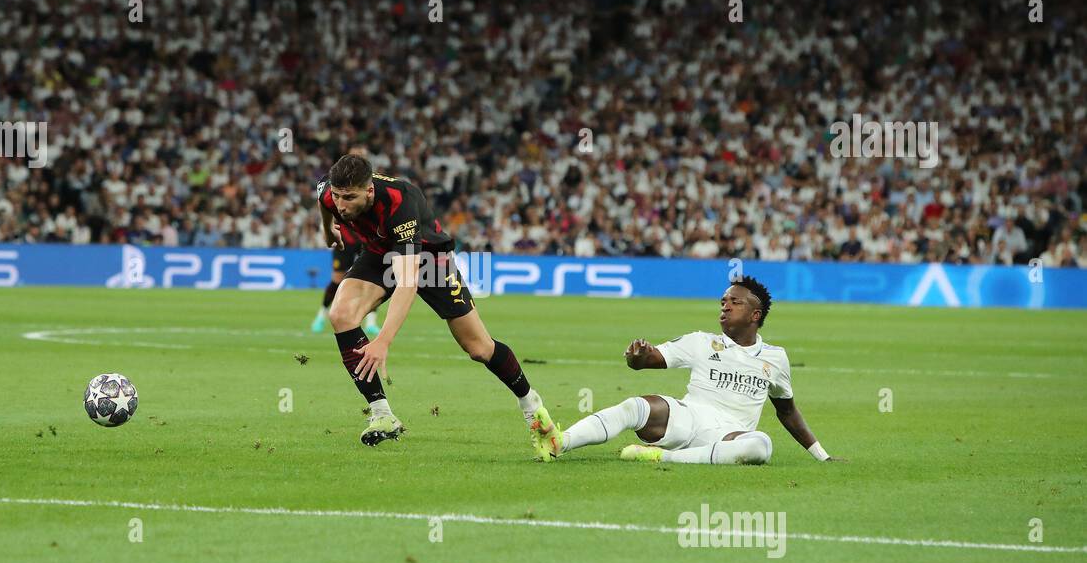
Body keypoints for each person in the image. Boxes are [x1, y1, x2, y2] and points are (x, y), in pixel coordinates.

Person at [317, 152, 545, 447]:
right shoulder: (329, 193)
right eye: (337, 196)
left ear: (369, 190)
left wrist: (383, 340)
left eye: (349, 198)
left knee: (478, 347)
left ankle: (530, 402)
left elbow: (408, 281)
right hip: (378, 253)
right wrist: (328, 231)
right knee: (341, 314)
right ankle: (382, 414)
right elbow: (324, 204)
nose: (341, 205)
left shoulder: (401, 202)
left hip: (428, 259)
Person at [531, 276, 844, 466]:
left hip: (728, 435)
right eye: (723, 301)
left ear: (755, 314)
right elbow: (650, 359)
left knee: (760, 445)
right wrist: (637, 357)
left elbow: (787, 411)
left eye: (734, 302)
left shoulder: (776, 358)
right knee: (636, 406)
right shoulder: (701, 342)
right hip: (687, 418)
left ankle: (662, 458)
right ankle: (561, 441)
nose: (725, 306)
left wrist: (822, 456)